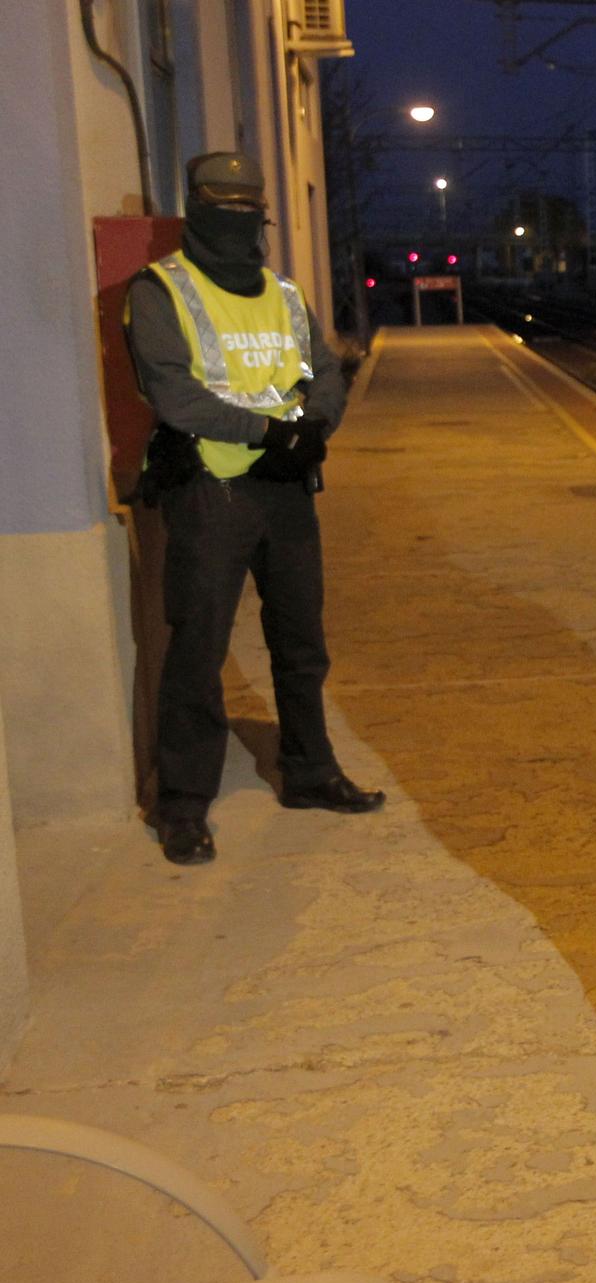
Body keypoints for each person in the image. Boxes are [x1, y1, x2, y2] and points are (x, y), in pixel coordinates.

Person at [126, 152, 383, 867]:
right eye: (223, 204)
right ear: (196, 210)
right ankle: (182, 804)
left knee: (302, 644)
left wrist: (311, 429)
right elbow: (173, 393)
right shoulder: (160, 291)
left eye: (248, 207)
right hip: (209, 489)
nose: (238, 218)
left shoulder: (282, 293)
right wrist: (272, 432)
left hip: (284, 489)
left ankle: (309, 772)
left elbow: (323, 370)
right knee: (198, 649)